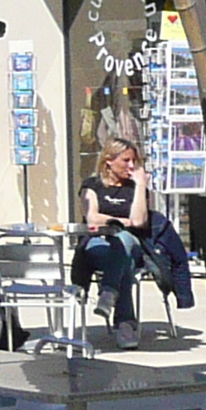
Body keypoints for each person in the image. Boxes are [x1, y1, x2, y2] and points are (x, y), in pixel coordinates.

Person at [76, 135, 152, 348]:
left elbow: (139, 221)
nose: (131, 166)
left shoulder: (135, 188)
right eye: (126, 160)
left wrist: (139, 186)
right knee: (123, 262)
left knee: (123, 239)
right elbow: (92, 217)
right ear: (109, 160)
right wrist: (122, 221)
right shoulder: (92, 185)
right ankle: (125, 325)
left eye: (134, 161)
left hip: (132, 244)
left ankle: (109, 293)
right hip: (98, 242)